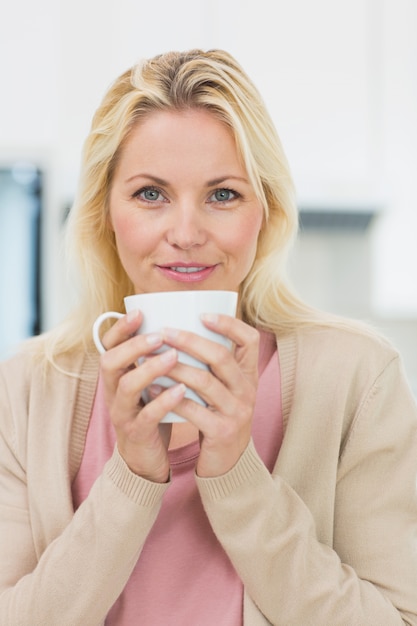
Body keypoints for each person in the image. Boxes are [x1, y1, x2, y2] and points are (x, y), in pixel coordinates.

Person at [0, 49, 416, 626]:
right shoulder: (26, 392)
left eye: (223, 195)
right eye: (151, 194)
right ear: (104, 212)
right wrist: (132, 478)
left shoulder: (356, 379)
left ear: (264, 212)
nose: (187, 233)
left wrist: (236, 476)